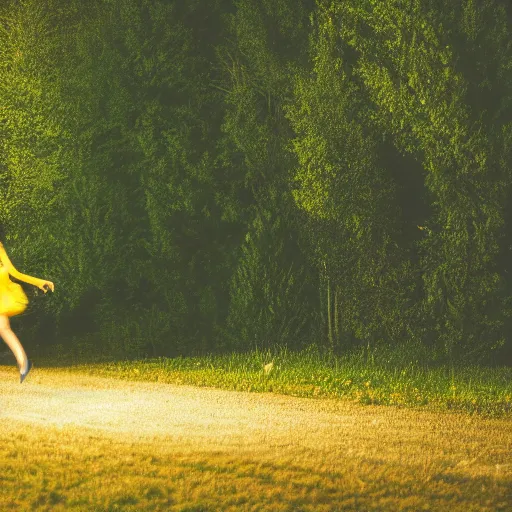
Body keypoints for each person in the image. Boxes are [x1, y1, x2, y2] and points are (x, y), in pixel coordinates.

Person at [0, 241, 54, 383]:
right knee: (4, 329)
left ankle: (23, 362)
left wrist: (38, 282)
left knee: (3, 328)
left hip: (4, 295)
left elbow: (14, 273)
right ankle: (23, 362)